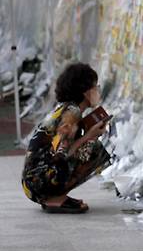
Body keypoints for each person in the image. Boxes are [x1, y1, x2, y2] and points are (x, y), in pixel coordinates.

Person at [21, 63, 112, 213]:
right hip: (40, 183)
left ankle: (56, 195)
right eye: (96, 87)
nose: (98, 91)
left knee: (90, 145)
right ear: (86, 92)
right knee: (93, 148)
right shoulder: (72, 114)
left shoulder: (67, 109)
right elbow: (61, 155)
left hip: (34, 182)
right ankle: (55, 198)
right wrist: (89, 136)